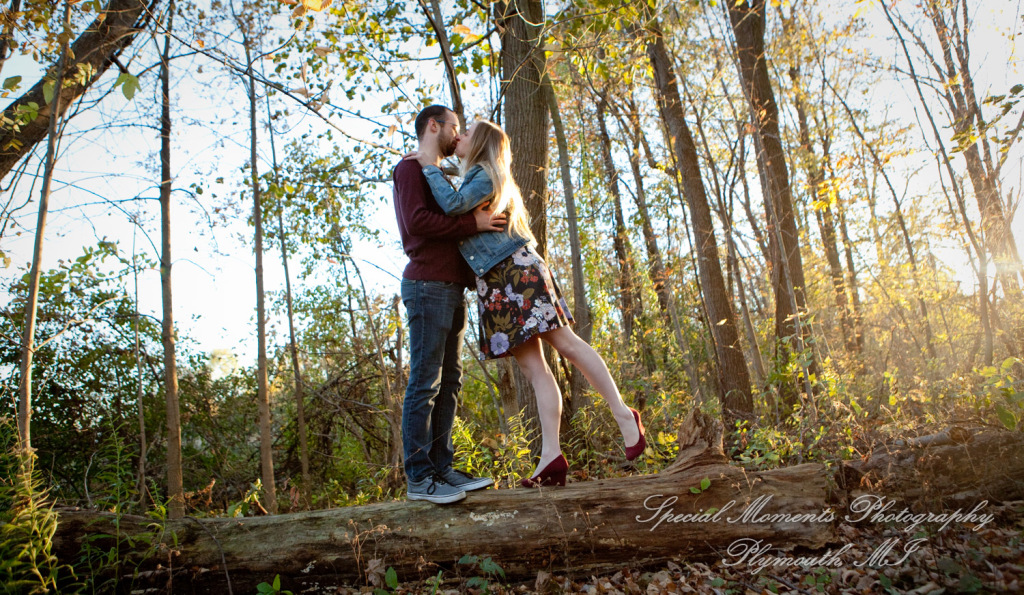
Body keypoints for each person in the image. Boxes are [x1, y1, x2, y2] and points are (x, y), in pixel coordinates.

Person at [410, 119, 646, 488]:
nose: (460, 136)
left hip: (515, 271)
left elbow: (453, 204)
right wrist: (434, 166)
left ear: (481, 143)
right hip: (495, 281)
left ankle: (623, 414)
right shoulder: (474, 174)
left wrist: (427, 164)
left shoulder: (487, 173)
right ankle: (551, 456)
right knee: (535, 370)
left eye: (467, 132)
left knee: (566, 344)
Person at [393, 105, 508, 504]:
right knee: (424, 382)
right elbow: (417, 223)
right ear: (433, 126)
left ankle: (443, 469)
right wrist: (470, 224)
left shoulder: (441, 174)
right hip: (426, 284)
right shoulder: (410, 169)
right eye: (454, 127)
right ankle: (420, 478)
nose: (458, 135)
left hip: (451, 287)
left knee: (449, 382)